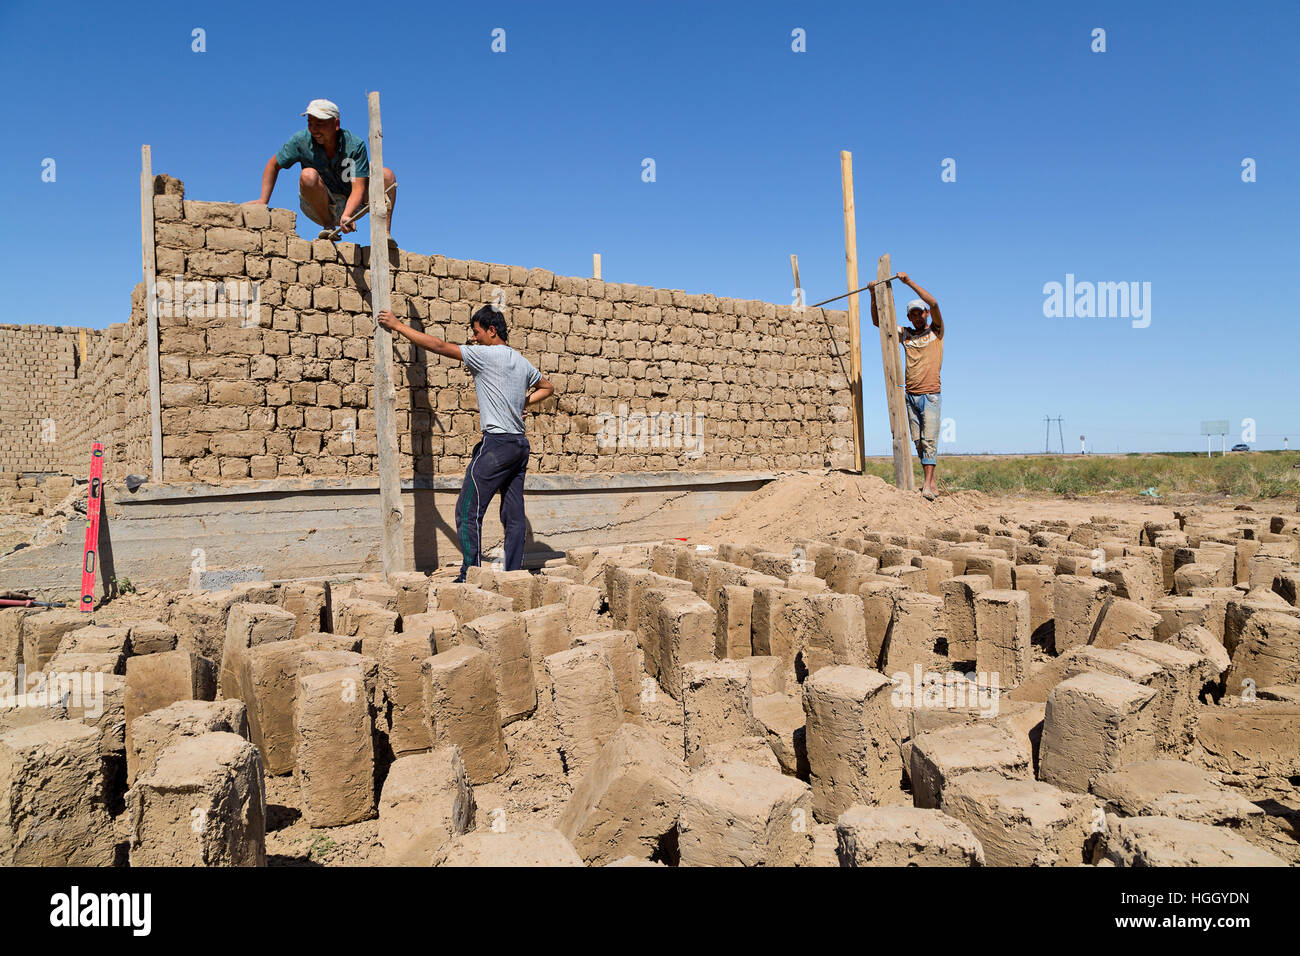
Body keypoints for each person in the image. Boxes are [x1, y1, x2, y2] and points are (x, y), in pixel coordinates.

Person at [377, 305, 555, 580]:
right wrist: (523, 402)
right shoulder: (520, 361)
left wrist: (399, 326)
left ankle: (470, 573)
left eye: (476, 332)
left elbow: (437, 345)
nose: (473, 338)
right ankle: (515, 576)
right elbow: (547, 387)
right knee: (514, 512)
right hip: (519, 445)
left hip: (496, 445)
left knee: (467, 509)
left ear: (491, 331)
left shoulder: (484, 355)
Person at [246, 99, 397, 237]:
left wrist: (347, 215)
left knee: (386, 175)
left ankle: (385, 234)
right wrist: (263, 200)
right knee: (308, 175)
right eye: (310, 123)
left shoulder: (354, 146)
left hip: (353, 204)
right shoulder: (301, 141)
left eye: (320, 124)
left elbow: (358, 188)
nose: (314, 129)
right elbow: (273, 164)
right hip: (319, 205)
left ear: (336, 124)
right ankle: (328, 226)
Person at [869, 271, 945, 500]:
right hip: (910, 395)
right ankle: (930, 483)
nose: (917, 318)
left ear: (926, 314)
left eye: (920, 313)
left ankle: (928, 484)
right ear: (910, 318)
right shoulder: (907, 335)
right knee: (918, 442)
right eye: (912, 315)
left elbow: (934, 301)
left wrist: (908, 282)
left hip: (930, 393)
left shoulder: (936, 331)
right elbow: (879, 322)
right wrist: (874, 295)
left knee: (929, 439)